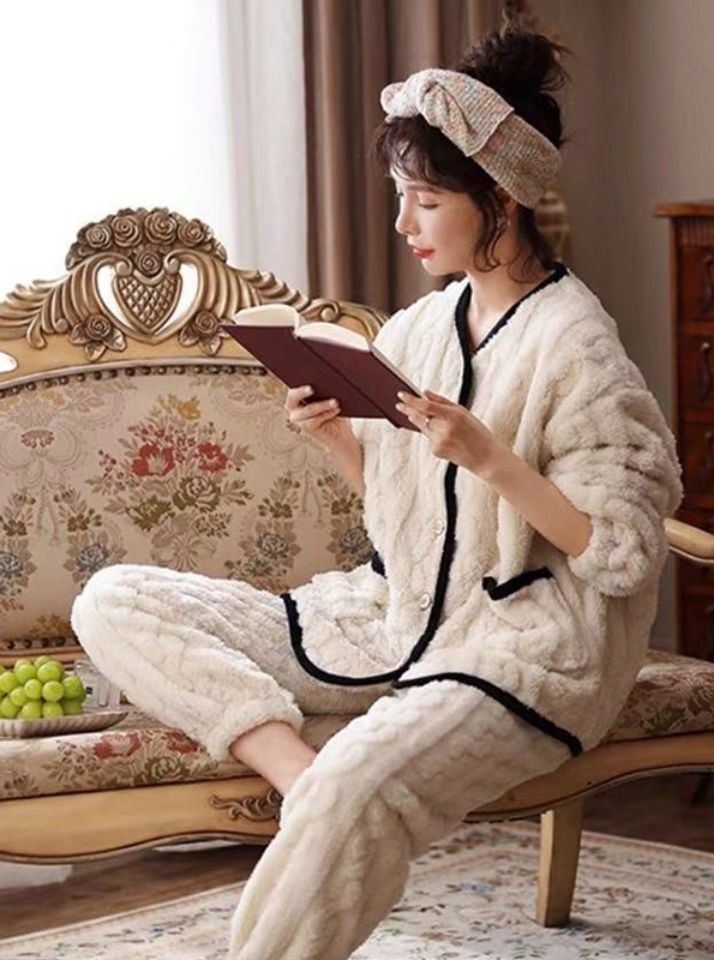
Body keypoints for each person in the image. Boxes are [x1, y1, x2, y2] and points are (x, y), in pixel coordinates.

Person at [70, 27, 682, 960]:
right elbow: (408, 521)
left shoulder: (577, 346)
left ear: (501, 200)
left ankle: (318, 819)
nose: (404, 224)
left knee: (362, 778)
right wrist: (336, 441)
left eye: (426, 201)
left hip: (524, 648)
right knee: (113, 600)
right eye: (401, 197)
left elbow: (624, 553)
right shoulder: (419, 328)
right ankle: (299, 774)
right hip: (391, 617)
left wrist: (493, 459)